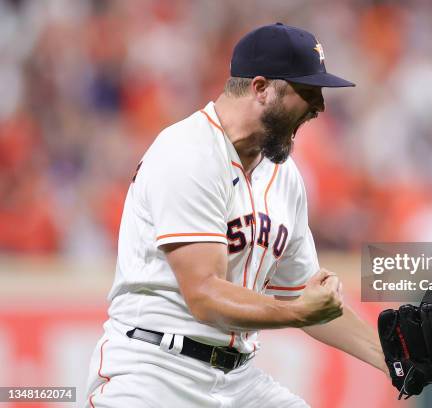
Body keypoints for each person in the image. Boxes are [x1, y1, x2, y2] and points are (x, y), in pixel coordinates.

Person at [84, 23, 386, 408]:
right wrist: (296, 312)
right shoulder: (187, 152)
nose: (319, 107)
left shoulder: (284, 175)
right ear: (261, 88)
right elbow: (205, 295)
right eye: (307, 91)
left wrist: (394, 358)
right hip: (155, 372)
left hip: (237, 379)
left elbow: (309, 302)